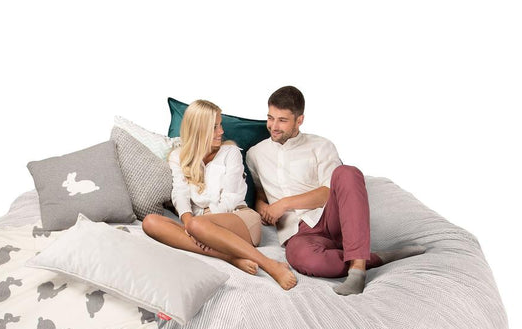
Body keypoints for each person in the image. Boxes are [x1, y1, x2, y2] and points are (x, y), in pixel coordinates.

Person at [246, 86, 425, 295]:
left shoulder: (321, 146)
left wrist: (284, 204)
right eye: (270, 118)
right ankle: (375, 257)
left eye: (282, 120)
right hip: (297, 232)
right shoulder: (255, 154)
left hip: (330, 218)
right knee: (307, 261)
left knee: (347, 172)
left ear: (299, 120)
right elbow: (259, 191)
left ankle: (357, 270)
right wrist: (263, 207)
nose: (273, 126)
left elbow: (327, 192)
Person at [142, 99, 297, 290]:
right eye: (215, 127)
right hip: (199, 226)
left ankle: (270, 265)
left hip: (238, 217)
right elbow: (180, 193)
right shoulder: (178, 156)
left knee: (198, 225)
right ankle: (230, 257)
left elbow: (231, 198)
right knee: (150, 222)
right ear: (199, 129)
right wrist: (189, 222)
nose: (221, 131)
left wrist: (197, 225)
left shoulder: (231, 152)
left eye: (220, 125)